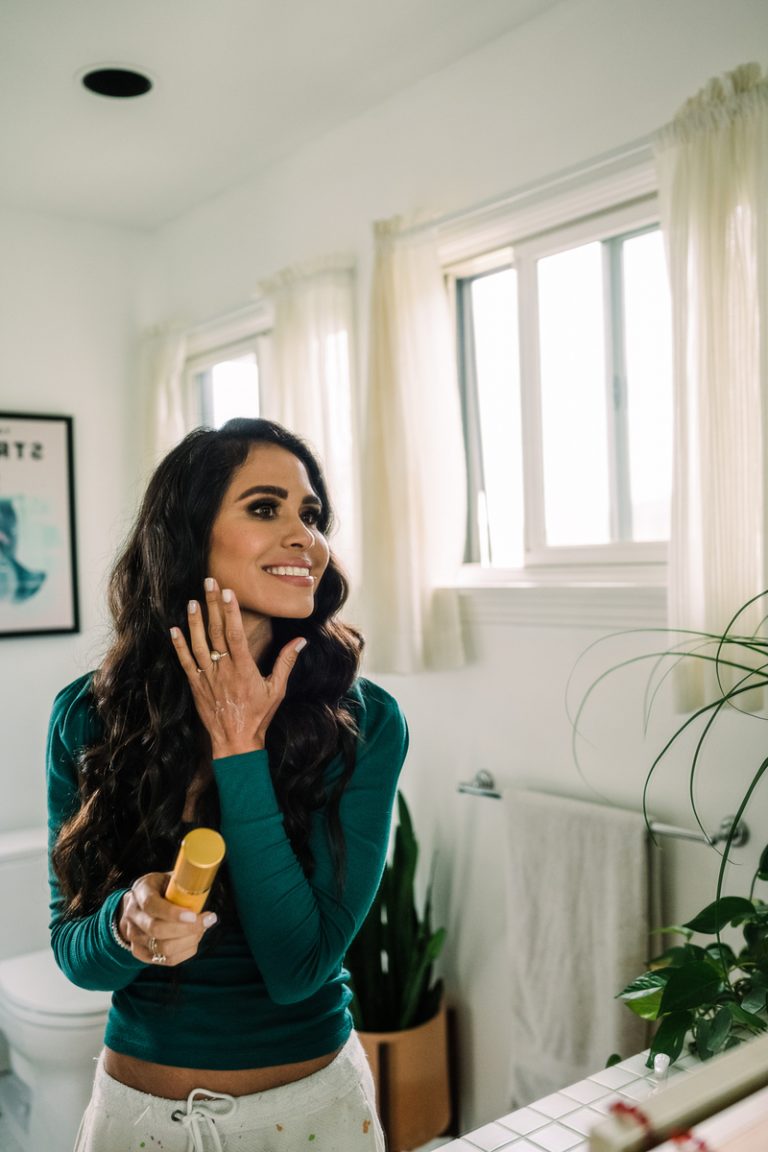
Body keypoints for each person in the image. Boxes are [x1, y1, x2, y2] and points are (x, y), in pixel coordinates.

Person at [47, 418, 408, 1152]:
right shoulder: (90, 715)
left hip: (311, 1120)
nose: (303, 534)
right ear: (188, 533)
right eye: (265, 507)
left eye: (311, 514)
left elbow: (298, 966)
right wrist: (128, 926)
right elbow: (72, 952)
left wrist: (239, 751)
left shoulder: (364, 723)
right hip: (135, 1121)